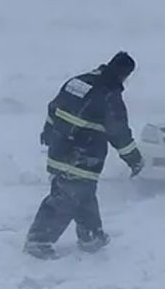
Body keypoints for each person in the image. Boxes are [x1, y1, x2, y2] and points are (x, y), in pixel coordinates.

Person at [24, 52, 144, 259]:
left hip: (59, 149)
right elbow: (119, 133)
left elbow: (54, 107)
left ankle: (91, 237)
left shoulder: (77, 82)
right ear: (124, 74)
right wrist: (135, 160)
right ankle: (38, 240)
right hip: (82, 156)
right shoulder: (109, 95)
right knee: (66, 197)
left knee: (83, 193)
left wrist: (48, 130)